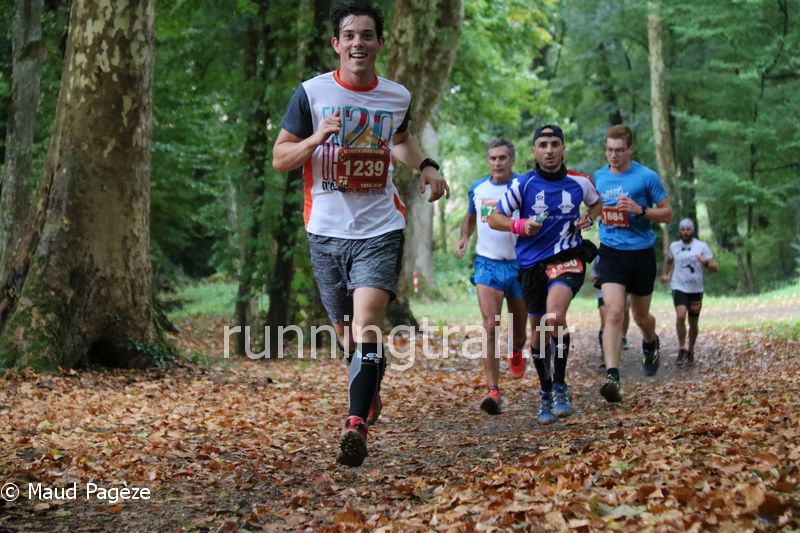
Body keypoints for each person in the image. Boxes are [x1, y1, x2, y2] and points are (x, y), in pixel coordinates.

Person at [272, 2, 450, 467]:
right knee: (347, 336)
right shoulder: (311, 94)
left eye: (367, 35)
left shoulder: (396, 96)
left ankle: (354, 425)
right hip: (325, 230)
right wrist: (316, 138)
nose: (358, 43)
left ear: (380, 43)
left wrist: (427, 166)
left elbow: (400, 141)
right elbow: (281, 158)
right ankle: (369, 387)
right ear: (336, 44)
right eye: (349, 35)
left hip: (380, 227)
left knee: (366, 324)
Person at [489, 124, 602, 424]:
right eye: (543, 145)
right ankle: (546, 391)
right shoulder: (523, 185)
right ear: (534, 151)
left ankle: (561, 386)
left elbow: (597, 203)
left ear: (563, 148)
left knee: (554, 316)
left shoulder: (580, 181)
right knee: (538, 333)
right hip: (531, 266)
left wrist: (589, 218)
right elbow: (495, 218)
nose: (549, 150)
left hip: (568, 258)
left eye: (554, 144)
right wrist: (519, 225)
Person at [593, 124, 672, 403]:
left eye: (619, 150)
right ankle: (612, 376)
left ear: (630, 149)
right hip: (611, 252)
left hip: (641, 253)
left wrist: (641, 210)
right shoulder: (599, 177)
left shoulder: (646, 177)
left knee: (640, 317)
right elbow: (594, 209)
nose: (613, 156)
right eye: (609, 150)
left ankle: (650, 341)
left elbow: (667, 213)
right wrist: (588, 218)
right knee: (614, 312)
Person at [454, 139, 528, 415]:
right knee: (490, 325)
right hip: (487, 264)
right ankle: (493, 391)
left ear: (512, 160)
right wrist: (464, 238)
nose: (497, 163)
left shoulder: (523, 186)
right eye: (493, 158)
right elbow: (470, 217)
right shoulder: (478, 188)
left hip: (520, 264)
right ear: (488, 161)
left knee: (519, 333)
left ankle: (516, 350)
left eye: (502, 158)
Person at [660, 218, 718, 366]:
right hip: (679, 286)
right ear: (680, 231)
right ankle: (681, 347)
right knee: (681, 315)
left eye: (688, 229)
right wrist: (665, 274)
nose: (685, 232)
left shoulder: (701, 246)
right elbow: (668, 260)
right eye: (683, 229)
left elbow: (715, 267)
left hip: (696, 289)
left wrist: (705, 262)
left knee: (693, 322)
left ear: (693, 230)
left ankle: (691, 350)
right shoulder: (674, 246)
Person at [592, 258, 631, 368]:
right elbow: (593, 272)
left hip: (622, 289)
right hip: (602, 291)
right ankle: (605, 355)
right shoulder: (600, 255)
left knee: (621, 315)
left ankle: (622, 338)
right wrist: (594, 276)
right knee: (605, 323)